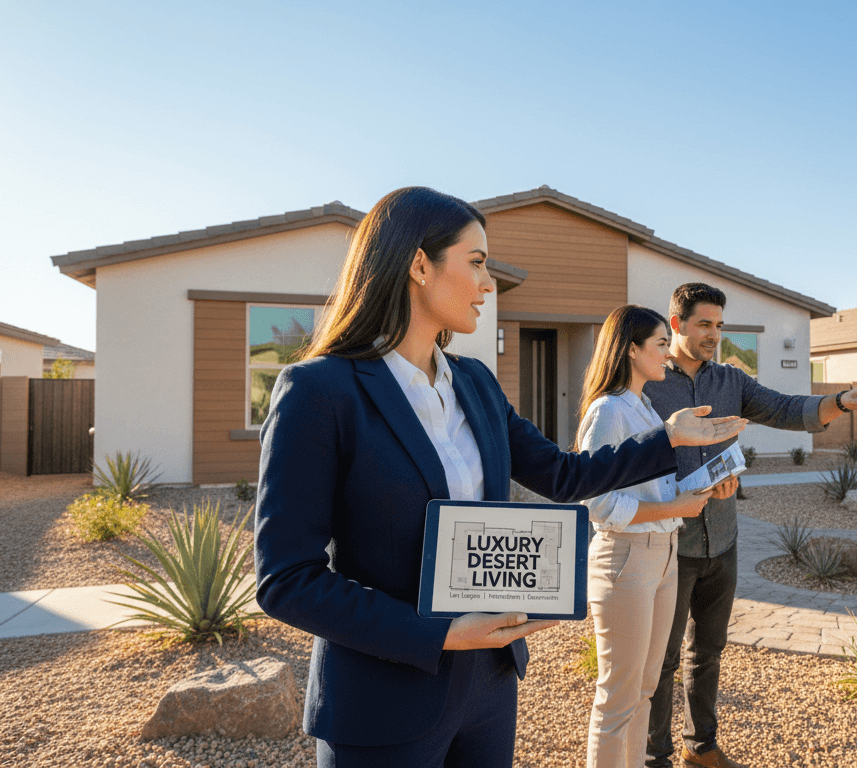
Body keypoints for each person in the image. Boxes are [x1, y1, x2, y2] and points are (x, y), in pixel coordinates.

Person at [252, 188, 748, 768]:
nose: (489, 284)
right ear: (418, 264)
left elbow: (565, 477)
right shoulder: (319, 391)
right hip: (381, 703)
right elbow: (288, 579)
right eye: (477, 263)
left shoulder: (476, 383)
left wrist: (668, 438)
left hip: (487, 691)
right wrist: (439, 632)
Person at [643, 283, 857, 768]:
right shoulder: (648, 379)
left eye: (719, 325)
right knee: (663, 658)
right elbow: (629, 457)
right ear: (676, 324)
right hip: (669, 540)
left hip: (723, 537)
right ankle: (655, 756)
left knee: (709, 649)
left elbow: (784, 408)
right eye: (704, 325)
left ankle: (702, 747)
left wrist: (840, 400)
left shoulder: (731, 381)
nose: (714, 334)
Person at [574, 305, 738, 768]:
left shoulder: (644, 405)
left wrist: (705, 487)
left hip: (663, 554)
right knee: (618, 697)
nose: (669, 353)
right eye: (661, 344)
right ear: (630, 349)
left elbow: (658, 489)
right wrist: (673, 508)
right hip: (626, 559)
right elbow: (599, 504)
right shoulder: (608, 411)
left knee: (645, 691)